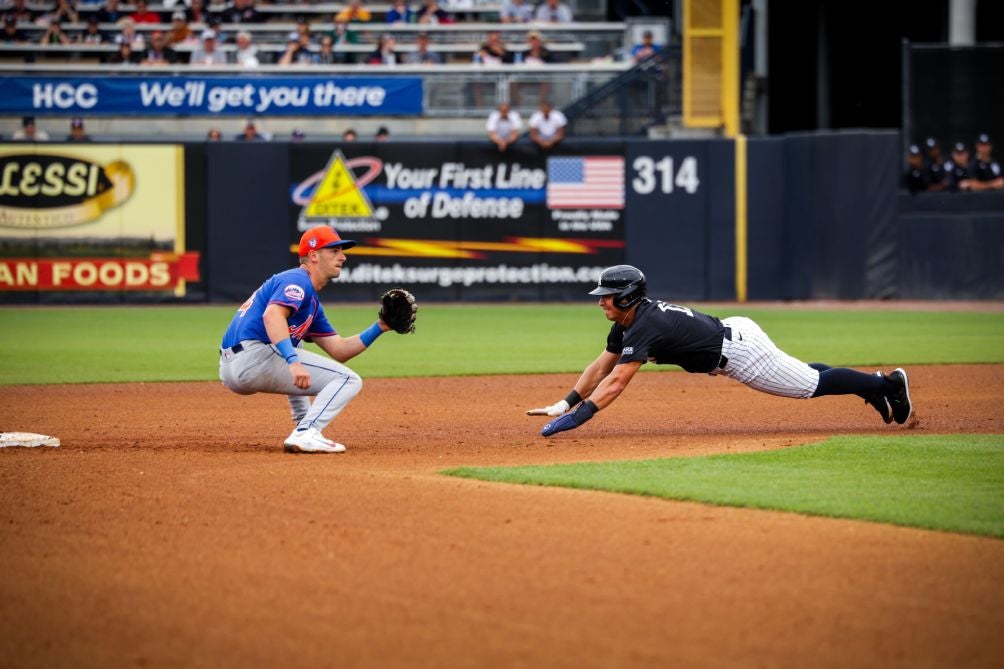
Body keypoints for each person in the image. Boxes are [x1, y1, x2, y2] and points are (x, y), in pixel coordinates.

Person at [527, 265, 914, 437]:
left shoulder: (645, 325)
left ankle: (889, 386)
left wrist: (580, 419)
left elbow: (615, 383)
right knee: (802, 373)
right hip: (735, 333)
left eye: (606, 296)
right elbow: (602, 366)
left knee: (808, 385)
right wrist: (566, 404)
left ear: (626, 296)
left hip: (740, 353)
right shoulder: (628, 321)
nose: (600, 302)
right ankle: (872, 387)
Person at [218, 226, 392, 453]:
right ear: (313, 255)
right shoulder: (298, 279)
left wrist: (380, 327)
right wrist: (292, 361)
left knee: (295, 342)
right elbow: (272, 315)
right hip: (254, 356)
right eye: (335, 251)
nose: (343, 257)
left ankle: (302, 426)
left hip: (232, 366)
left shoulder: (311, 303)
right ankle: (307, 432)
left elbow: (339, 349)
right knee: (348, 380)